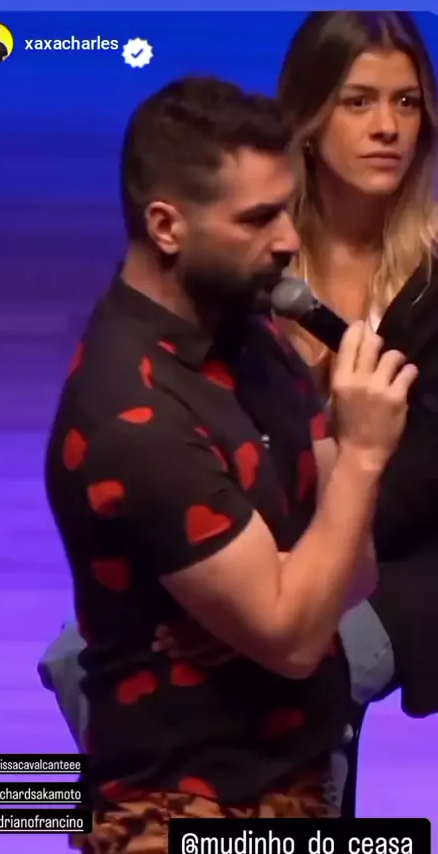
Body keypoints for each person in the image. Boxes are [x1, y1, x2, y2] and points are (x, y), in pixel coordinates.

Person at [42, 75, 416, 848]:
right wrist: (362, 456)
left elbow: (352, 574)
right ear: (166, 226)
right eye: (256, 218)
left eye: (287, 208)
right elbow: (295, 637)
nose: (288, 240)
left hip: (296, 786)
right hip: (179, 809)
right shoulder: (131, 416)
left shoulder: (258, 340)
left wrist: (293, 583)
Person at [275, 10, 438, 719]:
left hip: (411, 562)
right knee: (83, 656)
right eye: (359, 101)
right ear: (309, 121)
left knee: (297, 663)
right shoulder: (255, 264)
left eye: (406, 102)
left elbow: (421, 482)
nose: (388, 127)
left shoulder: (433, 281)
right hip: (267, 546)